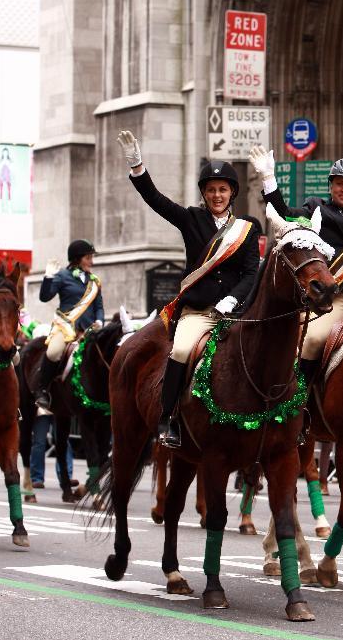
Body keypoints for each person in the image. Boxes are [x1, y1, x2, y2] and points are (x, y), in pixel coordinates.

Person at [117, 130, 260, 448]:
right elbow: (157, 201)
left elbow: (252, 272)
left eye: (222, 189)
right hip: (199, 311)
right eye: (211, 190)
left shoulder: (248, 228)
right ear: (204, 193)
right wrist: (138, 168)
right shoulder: (191, 219)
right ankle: (168, 419)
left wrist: (233, 299)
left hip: (236, 313)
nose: (217, 195)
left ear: (232, 192)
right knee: (180, 351)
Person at [249, 145, 343, 383]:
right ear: (331, 186)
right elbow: (285, 213)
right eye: (339, 184)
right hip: (334, 299)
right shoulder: (316, 208)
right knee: (313, 340)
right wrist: (268, 178)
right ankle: (300, 398)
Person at [34, 239, 104, 408]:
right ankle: (42, 390)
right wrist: (48, 277)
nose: (91, 262)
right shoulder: (62, 276)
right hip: (66, 327)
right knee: (53, 352)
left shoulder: (94, 281)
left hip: (88, 330)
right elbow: (45, 297)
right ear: (77, 258)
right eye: (88, 258)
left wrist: (100, 320)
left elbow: (99, 306)